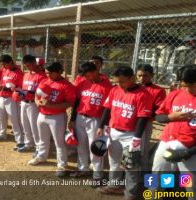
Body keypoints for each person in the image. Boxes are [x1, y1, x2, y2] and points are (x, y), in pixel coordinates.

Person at [97, 66, 153, 200]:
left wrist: (137, 138)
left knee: (131, 164)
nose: (119, 84)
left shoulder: (143, 94)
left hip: (132, 134)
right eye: (116, 81)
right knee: (114, 161)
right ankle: (114, 184)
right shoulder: (115, 90)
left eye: (122, 81)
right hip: (114, 131)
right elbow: (107, 109)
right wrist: (101, 125)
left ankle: (131, 193)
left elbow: (143, 118)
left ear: (132, 78)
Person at [151, 66, 196, 200]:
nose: (187, 89)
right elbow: (158, 116)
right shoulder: (175, 94)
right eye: (184, 85)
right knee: (157, 178)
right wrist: (171, 117)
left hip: (190, 148)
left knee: (190, 185)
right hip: (167, 142)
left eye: (191, 85)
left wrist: (189, 152)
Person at [28, 62, 76, 177]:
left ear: (59, 72)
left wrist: (51, 106)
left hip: (57, 117)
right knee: (42, 139)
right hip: (42, 115)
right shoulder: (44, 81)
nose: (47, 75)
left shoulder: (66, 85)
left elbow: (70, 103)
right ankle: (41, 156)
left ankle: (62, 164)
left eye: (50, 73)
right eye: (47, 73)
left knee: (59, 142)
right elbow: (37, 95)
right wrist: (37, 102)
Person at [68, 62, 112, 179]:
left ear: (95, 72)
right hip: (80, 117)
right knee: (81, 145)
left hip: (95, 120)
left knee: (95, 147)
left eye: (87, 75)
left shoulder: (107, 86)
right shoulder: (83, 83)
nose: (85, 77)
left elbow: (107, 108)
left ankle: (98, 174)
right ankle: (83, 169)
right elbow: (77, 101)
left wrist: (102, 125)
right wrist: (72, 118)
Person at [136, 64, 166, 171]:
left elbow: (158, 109)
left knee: (143, 149)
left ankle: (143, 173)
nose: (142, 78)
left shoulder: (158, 90)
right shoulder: (133, 88)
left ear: (152, 76)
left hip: (145, 123)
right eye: (139, 75)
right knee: (128, 150)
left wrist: (145, 116)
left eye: (145, 76)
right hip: (129, 123)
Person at [0, 55, 24, 150]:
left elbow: (19, 88)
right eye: (2, 64)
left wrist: (5, 88)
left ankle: (20, 140)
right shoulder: (4, 70)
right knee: (2, 118)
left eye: (4, 64)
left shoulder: (18, 72)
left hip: (12, 99)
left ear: (10, 62)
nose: (3, 66)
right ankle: (2, 135)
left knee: (15, 120)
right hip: (2, 96)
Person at [17, 55, 47, 155]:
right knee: (25, 125)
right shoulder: (26, 75)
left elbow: (42, 93)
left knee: (35, 127)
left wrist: (31, 94)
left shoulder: (42, 76)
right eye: (25, 66)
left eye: (29, 65)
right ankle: (28, 144)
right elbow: (24, 88)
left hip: (34, 104)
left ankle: (38, 147)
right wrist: (19, 93)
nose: (27, 67)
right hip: (24, 103)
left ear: (34, 63)